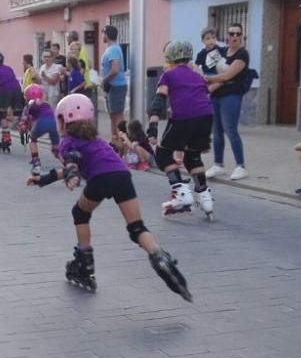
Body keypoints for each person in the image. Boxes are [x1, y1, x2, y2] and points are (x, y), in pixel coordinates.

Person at [26, 93, 191, 300]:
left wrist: (72, 173)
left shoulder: (68, 141)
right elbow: (77, 164)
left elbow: (72, 160)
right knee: (136, 227)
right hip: (122, 175)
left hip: (100, 179)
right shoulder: (96, 140)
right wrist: (47, 178)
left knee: (79, 213)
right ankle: (160, 257)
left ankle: (85, 263)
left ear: (63, 120)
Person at [148, 41, 215, 220]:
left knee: (162, 154)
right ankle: (205, 198)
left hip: (183, 116)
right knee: (193, 156)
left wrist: (152, 128)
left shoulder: (168, 75)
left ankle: (182, 192)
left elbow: (159, 100)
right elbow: (204, 98)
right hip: (206, 117)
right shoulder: (197, 76)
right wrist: (206, 136)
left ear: (170, 57)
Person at [204, 23, 250, 181]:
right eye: (232, 33)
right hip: (216, 96)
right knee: (216, 131)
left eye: (238, 34)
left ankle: (240, 166)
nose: (234, 36)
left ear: (242, 37)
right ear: (227, 36)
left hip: (231, 95)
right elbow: (207, 65)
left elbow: (227, 76)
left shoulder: (243, 54)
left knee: (231, 130)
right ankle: (218, 164)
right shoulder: (221, 51)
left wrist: (208, 79)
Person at [0, 51, 23, 153]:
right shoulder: (9, 68)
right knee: (17, 113)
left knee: (2, 115)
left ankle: (6, 137)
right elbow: (9, 79)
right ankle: (20, 123)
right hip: (18, 89)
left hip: (6, 91)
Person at [21, 83, 60, 176]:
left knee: (32, 139)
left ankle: (36, 163)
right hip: (53, 123)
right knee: (55, 149)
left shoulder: (31, 103)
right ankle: (69, 167)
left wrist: (24, 124)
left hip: (43, 122)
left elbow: (27, 118)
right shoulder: (46, 104)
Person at [100, 25, 127, 138]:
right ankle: (115, 141)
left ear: (106, 34)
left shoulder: (113, 49)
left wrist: (104, 80)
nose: (102, 35)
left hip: (116, 86)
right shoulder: (111, 49)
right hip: (111, 87)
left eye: (103, 33)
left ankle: (124, 141)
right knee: (112, 115)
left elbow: (115, 69)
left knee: (117, 115)